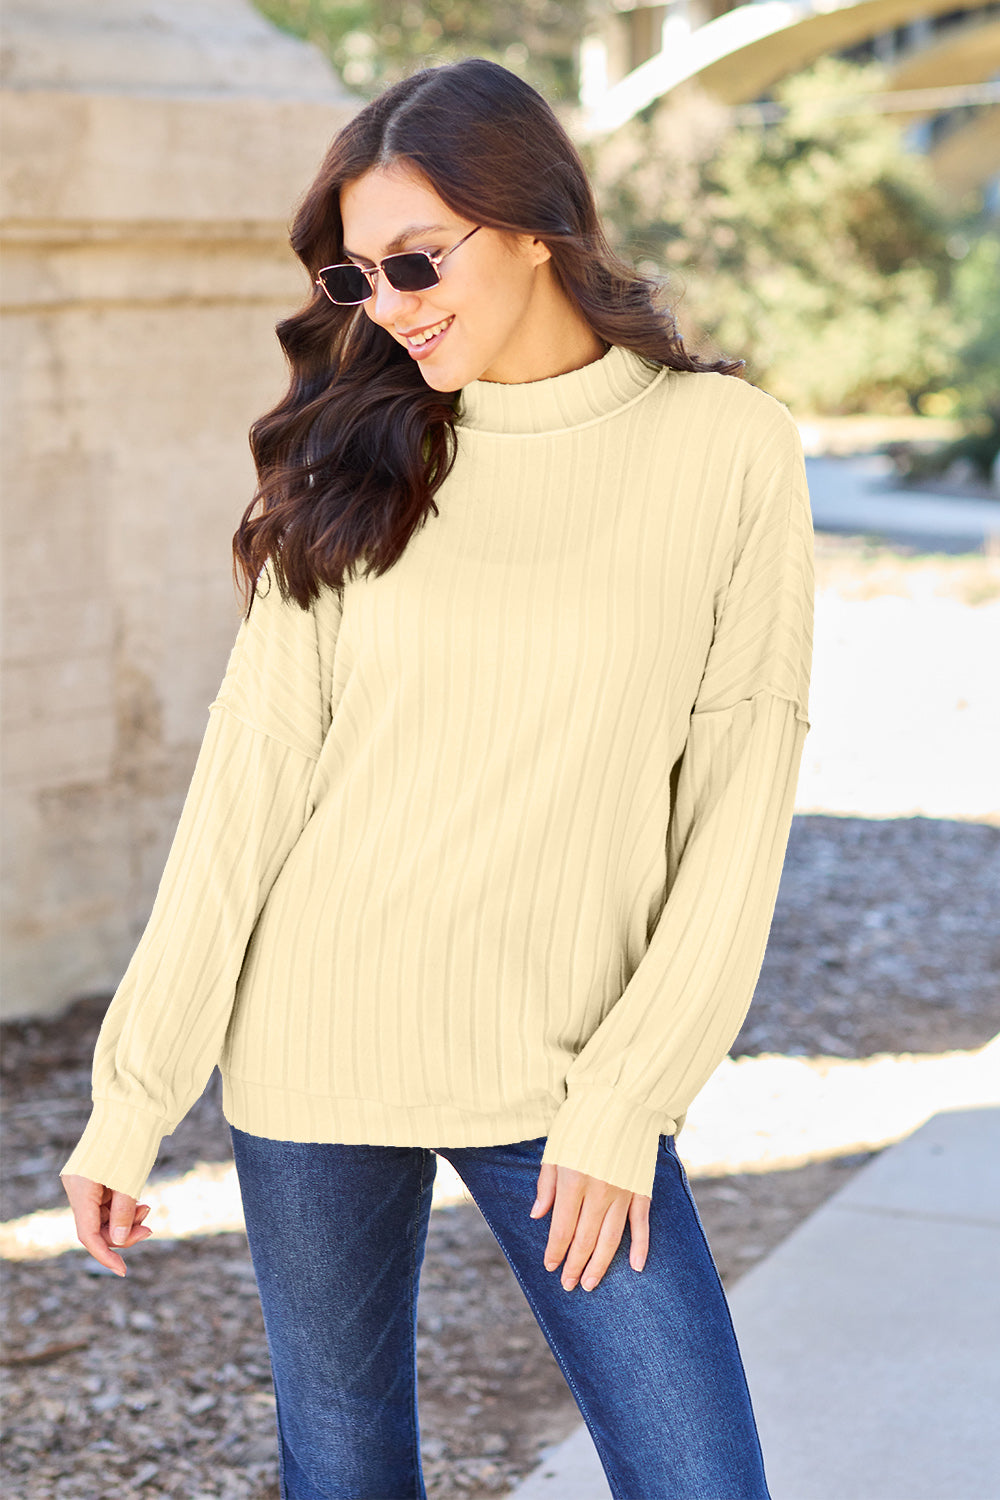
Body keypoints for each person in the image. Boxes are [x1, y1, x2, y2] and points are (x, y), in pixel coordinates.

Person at [61, 57, 813, 1500]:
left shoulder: (727, 448)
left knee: (700, 1478)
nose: (393, 306)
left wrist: (630, 1097)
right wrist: (131, 1091)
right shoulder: (358, 454)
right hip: (313, 1050)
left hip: (568, 1066)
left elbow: (738, 796)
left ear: (535, 224)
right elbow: (251, 787)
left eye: (417, 261)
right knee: (345, 1478)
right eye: (358, 279)